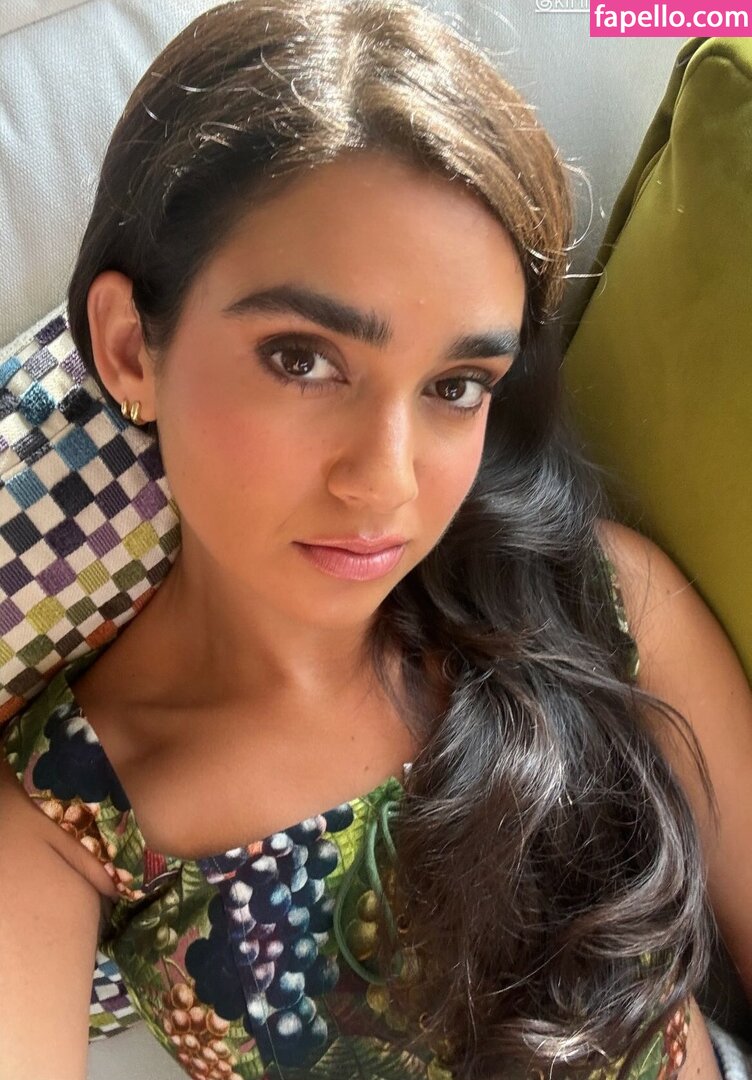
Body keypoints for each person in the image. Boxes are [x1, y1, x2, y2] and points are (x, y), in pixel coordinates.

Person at [0, 1, 750, 1077]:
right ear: (128, 349)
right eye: (301, 360)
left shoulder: (598, 597)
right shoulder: (69, 817)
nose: (385, 481)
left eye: (456, 385)